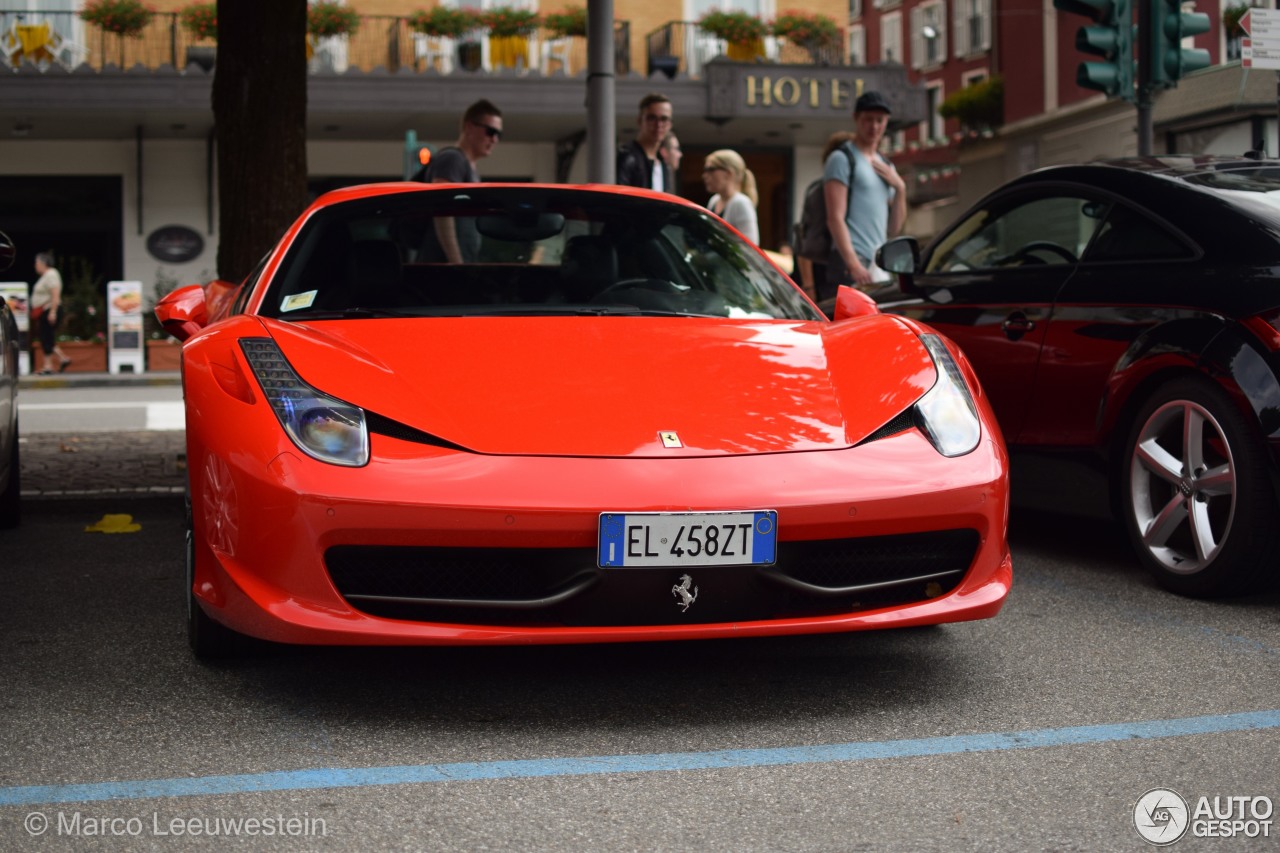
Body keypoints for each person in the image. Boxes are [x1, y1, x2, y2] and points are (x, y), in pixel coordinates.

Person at [823, 90, 907, 291]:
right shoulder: (841, 158)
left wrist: (901, 188)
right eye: (868, 119)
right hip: (851, 266)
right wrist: (853, 265)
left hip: (877, 266)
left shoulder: (886, 166)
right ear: (856, 119)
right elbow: (835, 217)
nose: (874, 126)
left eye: (880, 120)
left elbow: (894, 229)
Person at [416, 98, 503, 262]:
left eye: (499, 134)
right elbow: (442, 209)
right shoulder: (453, 159)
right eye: (490, 132)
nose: (494, 139)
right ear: (469, 127)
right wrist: (456, 261)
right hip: (443, 269)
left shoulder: (467, 165)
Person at [616, 93, 674, 192]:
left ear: (670, 124)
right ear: (639, 121)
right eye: (652, 118)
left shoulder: (663, 164)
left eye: (664, 119)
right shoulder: (627, 156)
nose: (658, 124)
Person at [702, 149, 759, 245]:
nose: (704, 175)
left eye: (710, 170)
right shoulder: (714, 200)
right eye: (705, 170)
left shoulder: (741, 202)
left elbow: (751, 246)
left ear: (728, 173)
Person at [30, 251, 70, 374]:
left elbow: (55, 293)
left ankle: (49, 365)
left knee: (46, 337)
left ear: (43, 263)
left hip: (49, 310)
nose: (35, 265)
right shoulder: (45, 276)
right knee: (46, 337)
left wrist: (52, 312)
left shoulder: (51, 274)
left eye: (36, 262)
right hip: (44, 311)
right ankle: (60, 360)